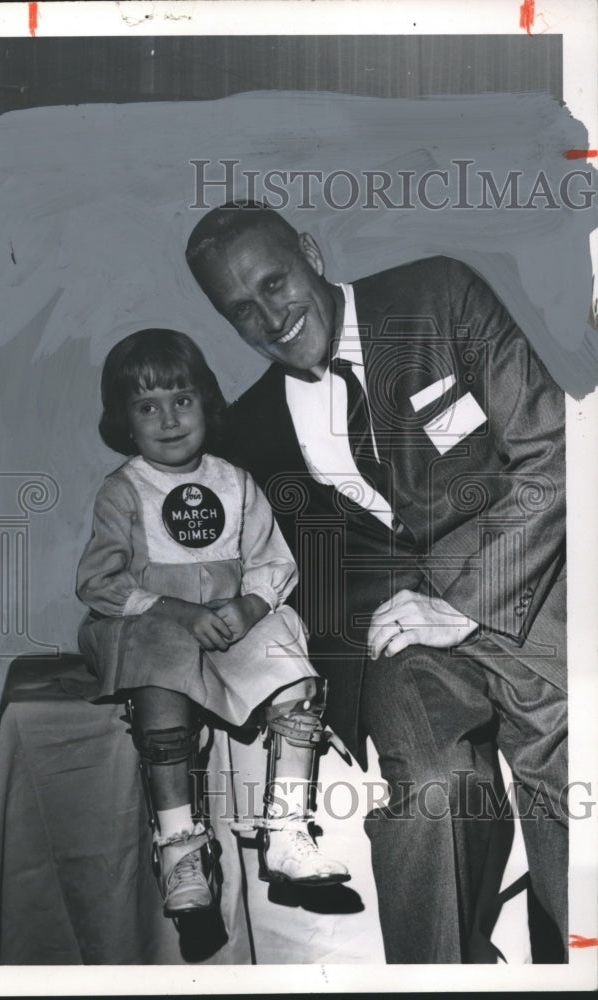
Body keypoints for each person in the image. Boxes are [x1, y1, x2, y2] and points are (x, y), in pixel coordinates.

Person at [185, 202, 567, 963]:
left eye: (275, 282)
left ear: (310, 252)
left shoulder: (439, 296)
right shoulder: (252, 426)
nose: (271, 316)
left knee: (561, 767)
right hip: (394, 637)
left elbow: (552, 457)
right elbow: (279, 564)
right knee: (429, 795)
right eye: (242, 310)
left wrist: (462, 605)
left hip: (515, 590)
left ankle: (569, 954)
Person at [76, 328, 350, 920]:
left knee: (290, 663)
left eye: (182, 400)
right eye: (147, 406)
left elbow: (272, 561)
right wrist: (175, 610)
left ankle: (285, 828)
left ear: (206, 403)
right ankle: (179, 847)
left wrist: (250, 606)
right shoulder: (124, 491)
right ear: (125, 421)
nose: (169, 419)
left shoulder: (236, 481)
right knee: (160, 684)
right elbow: (99, 583)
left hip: (228, 627)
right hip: (154, 625)